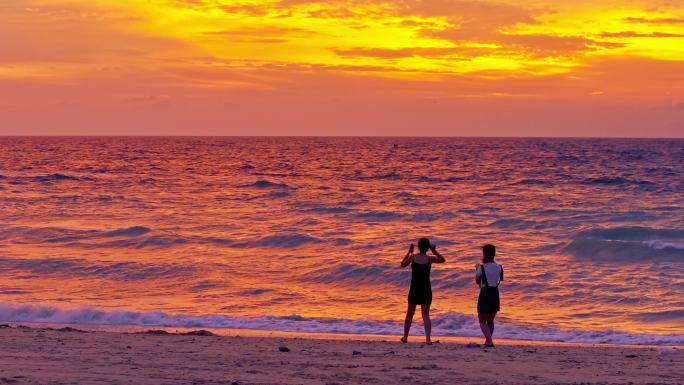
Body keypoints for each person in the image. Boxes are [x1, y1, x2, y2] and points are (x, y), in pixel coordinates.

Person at [400, 237, 445, 344]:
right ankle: (428, 339)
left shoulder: (413, 257)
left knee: (410, 314)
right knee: (425, 315)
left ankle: (405, 337)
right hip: (426, 288)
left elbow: (402, 264)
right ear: (427, 247)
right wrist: (434, 250)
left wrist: (409, 251)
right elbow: (443, 260)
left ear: (418, 247)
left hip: (414, 288)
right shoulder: (430, 259)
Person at [475, 244, 503, 347]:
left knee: (482, 320)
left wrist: (477, 269)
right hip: (495, 293)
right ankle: (488, 341)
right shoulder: (499, 267)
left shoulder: (481, 267)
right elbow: (497, 280)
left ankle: (489, 341)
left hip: (485, 293)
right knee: (490, 320)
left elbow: (478, 281)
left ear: (484, 254)